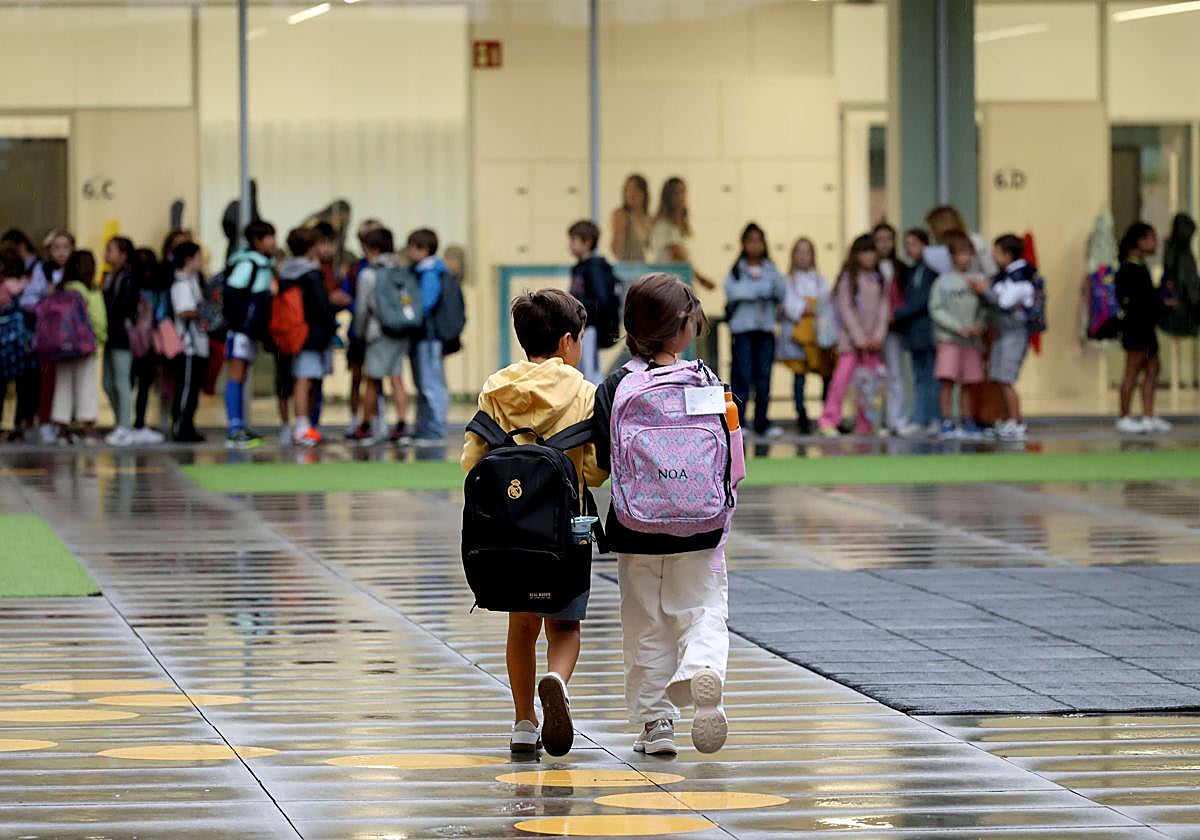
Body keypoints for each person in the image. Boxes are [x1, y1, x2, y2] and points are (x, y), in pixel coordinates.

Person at [460, 288, 606, 756]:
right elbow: (594, 472)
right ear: (567, 341)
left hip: (506, 534)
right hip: (565, 535)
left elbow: (472, 460)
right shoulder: (583, 392)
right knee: (564, 627)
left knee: (521, 626)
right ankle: (557, 680)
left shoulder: (496, 387)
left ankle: (523, 722)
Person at [593, 273, 730, 756]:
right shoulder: (708, 383)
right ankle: (702, 668)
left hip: (636, 529)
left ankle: (656, 725)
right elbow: (733, 458)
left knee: (645, 622)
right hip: (702, 526)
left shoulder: (615, 386)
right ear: (684, 329)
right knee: (702, 609)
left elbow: (607, 463)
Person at [280, 227, 349, 448]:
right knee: (304, 380)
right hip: (311, 335)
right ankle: (302, 427)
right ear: (311, 248)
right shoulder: (311, 274)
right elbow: (320, 306)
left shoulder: (285, 272)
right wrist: (335, 305)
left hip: (294, 332)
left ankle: (305, 425)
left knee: (304, 379)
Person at [817, 235, 889, 436]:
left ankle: (868, 424)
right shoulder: (848, 278)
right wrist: (860, 338)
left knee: (872, 385)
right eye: (865, 252)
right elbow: (845, 310)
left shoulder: (880, 278)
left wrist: (877, 336)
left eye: (872, 252)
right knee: (840, 382)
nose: (869, 256)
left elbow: (884, 310)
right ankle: (828, 420)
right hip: (850, 343)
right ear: (856, 255)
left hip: (873, 344)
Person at [970, 234, 1035, 441]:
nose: (993, 257)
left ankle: (1016, 421)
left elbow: (1004, 302)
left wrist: (984, 290)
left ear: (1008, 254)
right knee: (997, 377)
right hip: (1001, 334)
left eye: (996, 252)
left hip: (1014, 335)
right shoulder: (1003, 275)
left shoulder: (1022, 277)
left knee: (1007, 379)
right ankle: (1005, 419)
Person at [350, 226, 411, 444]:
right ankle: (402, 425)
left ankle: (366, 426)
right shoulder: (401, 270)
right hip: (400, 331)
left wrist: (358, 333)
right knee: (397, 379)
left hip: (377, 333)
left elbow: (362, 309)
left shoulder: (368, 274)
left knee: (372, 380)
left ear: (373, 249)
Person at [725, 223, 785, 438]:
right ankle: (740, 422)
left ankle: (762, 422)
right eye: (750, 240)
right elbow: (733, 292)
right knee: (742, 376)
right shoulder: (736, 270)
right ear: (743, 244)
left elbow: (781, 290)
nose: (755, 245)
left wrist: (766, 287)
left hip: (765, 330)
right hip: (743, 331)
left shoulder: (771, 268)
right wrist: (760, 289)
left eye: (758, 240)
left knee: (764, 377)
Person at [223, 220, 277, 449]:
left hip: (249, 331)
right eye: (269, 237)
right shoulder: (248, 264)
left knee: (242, 374)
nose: (273, 242)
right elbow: (233, 294)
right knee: (236, 373)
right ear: (256, 241)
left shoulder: (264, 265)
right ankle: (235, 428)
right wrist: (243, 322)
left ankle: (240, 424)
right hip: (240, 331)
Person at [929, 232, 988, 440]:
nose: (965, 258)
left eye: (968, 254)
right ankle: (946, 421)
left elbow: (985, 308)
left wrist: (978, 325)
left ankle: (967, 420)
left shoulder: (977, 280)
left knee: (969, 382)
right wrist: (957, 327)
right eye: (961, 254)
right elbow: (936, 309)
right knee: (948, 381)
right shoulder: (943, 282)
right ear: (952, 256)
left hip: (971, 341)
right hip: (950, 339)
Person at [1115, 222, 1171, 434]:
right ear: (1140, 241)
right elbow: (1137, 300)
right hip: (1135, 327)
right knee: (1132, 371)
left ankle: (1148, 415)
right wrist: (1159, 301)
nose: (1154, 243)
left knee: (1153, 369)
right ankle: (1124, 416)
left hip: (1146, 328)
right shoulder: (1129, 267)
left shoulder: (1140, 265)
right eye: (1151, 238)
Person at [50, 250, 106, 445]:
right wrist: (100, 338)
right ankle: (88, 429)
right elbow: (98, 319)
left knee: (63, 385)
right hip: (84, 345)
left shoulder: (62, 288)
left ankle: (61, 430)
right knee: (86, 385)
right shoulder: (90, 290)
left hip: (62, 345)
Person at [24, 229, 75, 444]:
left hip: (73, 337)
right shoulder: (42, 271)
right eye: (56, 248)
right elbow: (27, 301)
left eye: (65, 248)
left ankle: (63, 425)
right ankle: (45, 423)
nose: (61, 253)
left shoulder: (77, 271)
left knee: (68, 382)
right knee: (47, 380)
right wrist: (49, 299)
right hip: (50, 336)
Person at [777, 237, 833, 434]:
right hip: (797, 337)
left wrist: (810, 307)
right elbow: (793, 308)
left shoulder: (820, 279)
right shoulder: (787, 281)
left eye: (807, 251)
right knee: (799, 377)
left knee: (826, 375)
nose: (803, 256)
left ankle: (827, 415)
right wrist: (809, 306)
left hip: (818, 336)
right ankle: (801, 415)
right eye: (799, 252)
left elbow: (825, 305)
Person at [342, 219, 385, 439]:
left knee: (376, 378)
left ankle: (375, 420)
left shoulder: (388, 268)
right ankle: (354, 419)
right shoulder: (356, 269)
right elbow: (348, 296)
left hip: (378, 332)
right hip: (359, 330)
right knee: (357, 377)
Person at [405, 228, 449, 443]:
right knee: (423, 382)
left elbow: (425, 303)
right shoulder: (421, 270)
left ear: (422, 249)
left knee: (431, 383)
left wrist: (406, 310)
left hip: (429, 337)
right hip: (422, 336)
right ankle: (425, 425)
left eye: (411, 247)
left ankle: (435, 427)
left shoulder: (430, 272)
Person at [893, 229, 938, 434]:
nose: (909, 249)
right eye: (906, 244)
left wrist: (897, 314)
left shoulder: (928, 271)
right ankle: (920, 417)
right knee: (919, 377)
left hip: (926, 331)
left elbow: (921, 300)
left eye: (913, 244)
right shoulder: (911, 270)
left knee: (930, 376)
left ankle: (933, 418)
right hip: (913, 333)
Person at [568, 220, 618, 386]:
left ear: (587, 242)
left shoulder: (594, 268)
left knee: (590, 373)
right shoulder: (579, 268)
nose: (570, 244)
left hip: (591, 328)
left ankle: (594, 407)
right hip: (582, 327)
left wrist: (577, 304)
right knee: (582, 369)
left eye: (574, 240)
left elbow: (601, 300)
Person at [169, 242, 209, 443]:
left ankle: (188, 426)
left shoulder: (193, 281)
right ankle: (180, 426)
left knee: (193, 389)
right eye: (199, 257)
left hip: (199, 344)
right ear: (189, 259)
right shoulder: (181, 283)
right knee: (186, 388)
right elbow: (184, 310)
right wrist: (203, 312)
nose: (201, 261)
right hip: (188, 346)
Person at [100, 237, 139, 446]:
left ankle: (125, 426)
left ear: (123, 255)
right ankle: (120, 423)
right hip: (109, 335)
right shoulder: (108, 277)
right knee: (107, 382)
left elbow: (125, 307)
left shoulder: (128, 278)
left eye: (111, 250)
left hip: (122, 337)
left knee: (121, 381)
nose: (106, 253)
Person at [875, 223, 911, 436]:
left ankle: (895, 419)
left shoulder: (900, 268)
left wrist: (895, 316)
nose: (884, 244)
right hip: (870, 330)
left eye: (888, 239)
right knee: (873, 376)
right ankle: (873, 421)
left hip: (893, 328)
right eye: (879, 240)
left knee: (895, 373)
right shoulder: (867, 268)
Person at [650, 177, 715, 290]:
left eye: (683, 192)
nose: (681, 197)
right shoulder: (664, 225)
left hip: (680, 285)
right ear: (668, 197)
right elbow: (678, 257)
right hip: (669, 287)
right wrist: (701, 279)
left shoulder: (680, 227)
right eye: (676, 193)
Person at [130, 248, 167, 444]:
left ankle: (135, 423)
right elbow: (160, 315)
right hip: (142, 341)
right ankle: (134, 424)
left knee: (141, 385)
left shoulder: (153, 287)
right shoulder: (138, 287)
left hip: (144, 342)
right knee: (138, 385)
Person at [0, 247, 33, 435]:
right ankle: (21, 422)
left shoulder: (5, 286)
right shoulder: (26, 284)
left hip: (8, 343)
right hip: (21, 342)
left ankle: (17, 422)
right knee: (23, 384)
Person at [923, 205, 995, 278]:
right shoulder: (941, 245)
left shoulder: (975, 241)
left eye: (932, 227)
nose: (930, 232)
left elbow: (991, 271)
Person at [611, 174, 652, 262]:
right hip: (628, 269)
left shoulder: (650, 218)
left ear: (644, 193)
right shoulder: (622, 215)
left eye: (636, 190)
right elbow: (616, 250)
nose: (631, 194)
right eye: (628, 189)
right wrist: (620, 229)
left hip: (645, 267)